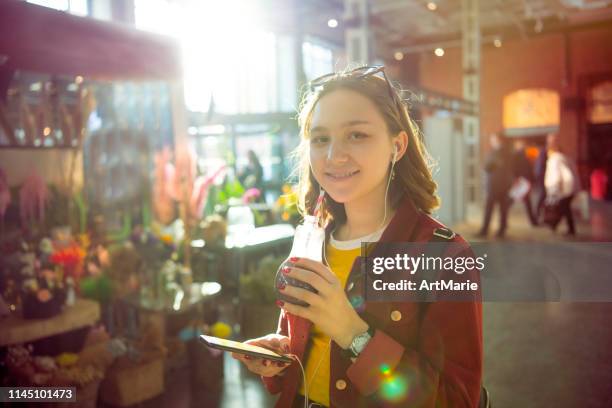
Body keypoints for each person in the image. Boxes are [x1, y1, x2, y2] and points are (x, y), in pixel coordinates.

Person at [232, 66, 483, 407]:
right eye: (321, 139)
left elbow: (456, 400)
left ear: (397, 145)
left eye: (357, 135)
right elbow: (304, 347)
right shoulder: (311, 238)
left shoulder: (445, 256)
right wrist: (281, 353)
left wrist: (354, 334)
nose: (334, 155)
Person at [477, 133, 514, 238]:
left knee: (490, 208)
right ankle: (501, 230)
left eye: (492, 139)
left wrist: (488, 164)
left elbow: (487, 166)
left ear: (498, 140)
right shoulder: (507, 152)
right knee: (502, 209)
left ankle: (485, 230)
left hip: (495, 185)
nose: (491, 141)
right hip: (503, 185)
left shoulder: (497, 153)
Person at [544, 134, 580, 236]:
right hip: (569, 189)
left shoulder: (555, 159)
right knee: (564, 208)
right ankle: (559, 226)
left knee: (562, 208)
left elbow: (556, 176)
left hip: (564, 189)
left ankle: (555, 225)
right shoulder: (565, 158)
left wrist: (553, 190)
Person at [511, 140, 538, 226]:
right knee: (523, 201)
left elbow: (526, 169)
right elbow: (515, 168)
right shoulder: (521, 155)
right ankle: (533, 222)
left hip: (522, 181)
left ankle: (533, 222)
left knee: (512, 199)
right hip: (522, 181)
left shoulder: (520, 155)